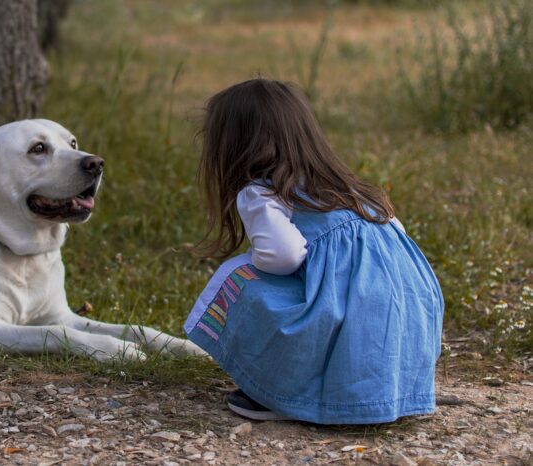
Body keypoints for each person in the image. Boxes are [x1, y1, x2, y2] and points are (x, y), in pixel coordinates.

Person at [184, 78, 443, 424]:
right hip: (407, 318)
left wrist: (255, 263)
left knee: (239, 278)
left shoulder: (261, 193)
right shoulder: (349, 189)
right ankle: (384, 390)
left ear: (234, 147)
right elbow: (396, 244)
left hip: (350, 319)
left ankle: (281, 393)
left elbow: (284, 256)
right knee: (347, 298)